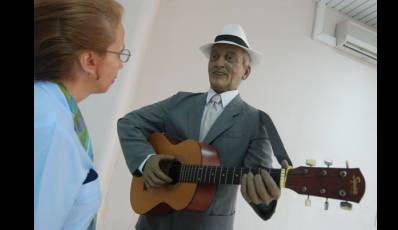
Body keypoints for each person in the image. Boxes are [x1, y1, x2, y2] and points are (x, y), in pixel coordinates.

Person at [117, 24, 292, 230]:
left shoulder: (256, 121)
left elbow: (259, 186)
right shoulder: (179, 102)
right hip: (155, 223)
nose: (218, 63)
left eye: (229, 58)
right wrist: (147, 161)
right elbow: (129, 124)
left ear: (246, 72)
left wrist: (264, 196)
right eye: (214, 57)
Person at [34, 0, 130, 229]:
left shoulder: (54, 106)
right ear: (90, 61)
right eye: (119, 53)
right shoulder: (52, 126)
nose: (120, 65)